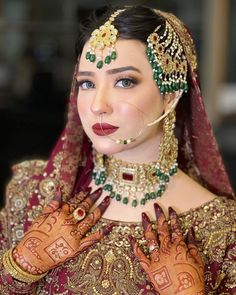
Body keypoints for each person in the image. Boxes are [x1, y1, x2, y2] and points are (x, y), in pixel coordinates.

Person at [0, 5, 235, 295]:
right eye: (86, 83)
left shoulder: (223, 230)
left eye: (124, 81)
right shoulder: (32, 194)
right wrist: (21, 267)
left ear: (171, 95)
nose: (98, 104)